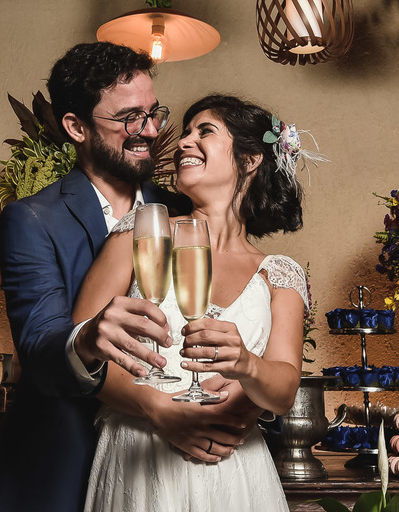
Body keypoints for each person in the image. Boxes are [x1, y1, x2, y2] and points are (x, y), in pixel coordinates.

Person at [0, 46, 254, 512]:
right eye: (129, 118)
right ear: (76, 127)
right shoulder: (32, 219)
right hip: (62, 465)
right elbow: (40, 349)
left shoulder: (187, 212)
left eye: (153, 113)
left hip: (171, 471)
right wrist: (85, 338)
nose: (150, 131)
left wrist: (241, 401)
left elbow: (238, 312)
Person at [74, 94, 313, 512]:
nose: (183, 142)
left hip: (236, 471)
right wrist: (159, 410)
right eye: (184, 132)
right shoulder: (143, 233)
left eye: (204, 131)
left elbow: (285, 389)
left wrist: (247, 369)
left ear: (251, 158)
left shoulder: (280, 274)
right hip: (139, 461)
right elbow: (81, 356)